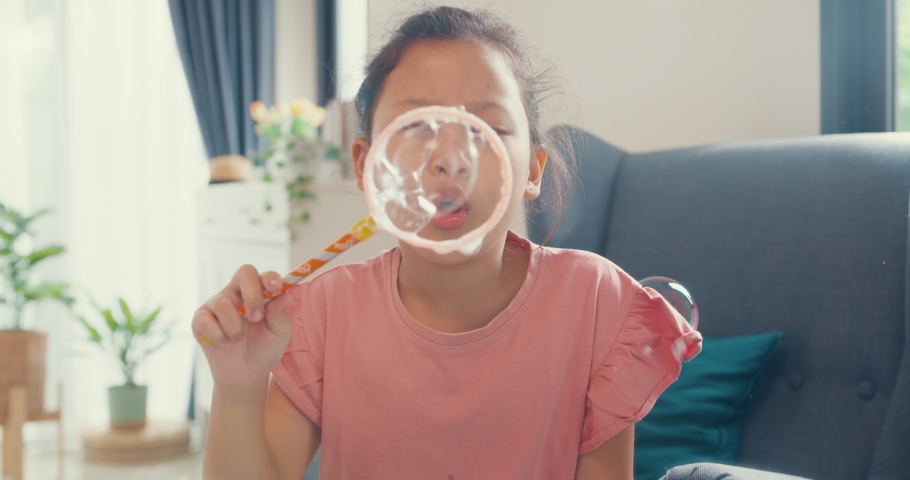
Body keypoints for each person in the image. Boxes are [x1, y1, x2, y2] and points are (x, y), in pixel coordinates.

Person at [192, 6, 702, 480]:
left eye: (489, 128)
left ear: (531, 169)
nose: (451, 159)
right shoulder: (323, 312)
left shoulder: (596, 300)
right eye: (417, 127)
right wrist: (238, 388)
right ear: (368, 167)